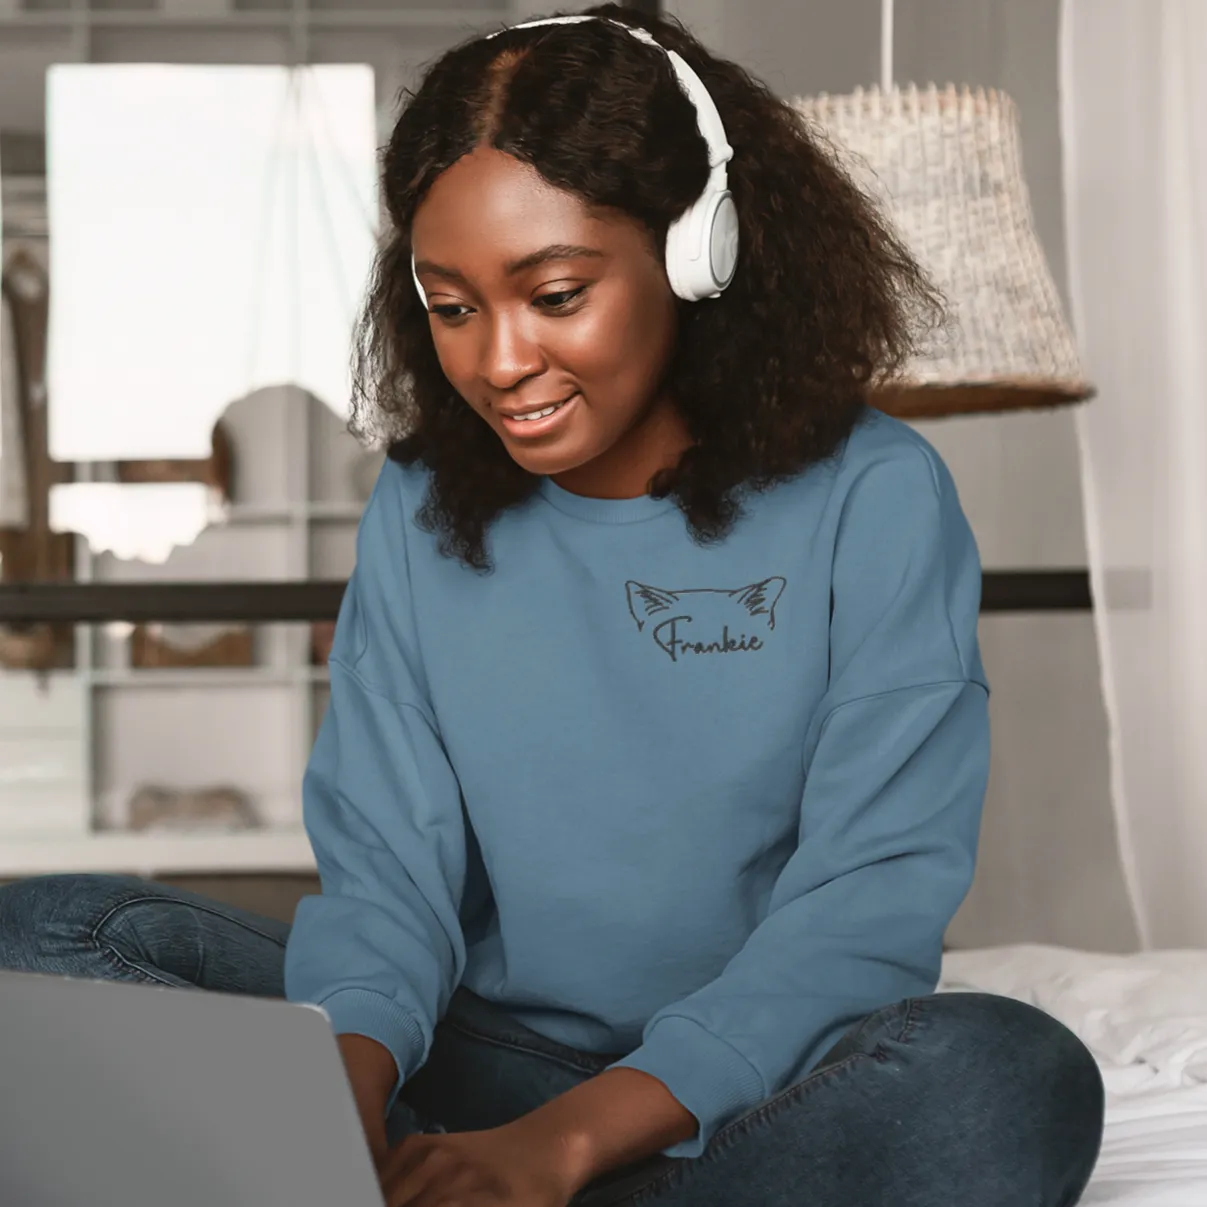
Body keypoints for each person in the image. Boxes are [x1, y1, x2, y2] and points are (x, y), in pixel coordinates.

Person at [0, 6, 1105, 1205]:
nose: (499, 362)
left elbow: (864, 909)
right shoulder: (420, 503)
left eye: (557, 292)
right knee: (48, 936)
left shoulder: (875, 492)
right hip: (482, 1061)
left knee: (1003, 1075)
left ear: (698, 253)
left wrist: (566, 1144)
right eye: (454, 305)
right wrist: (335, 1099)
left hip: (746, 1081)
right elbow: (386, 881)